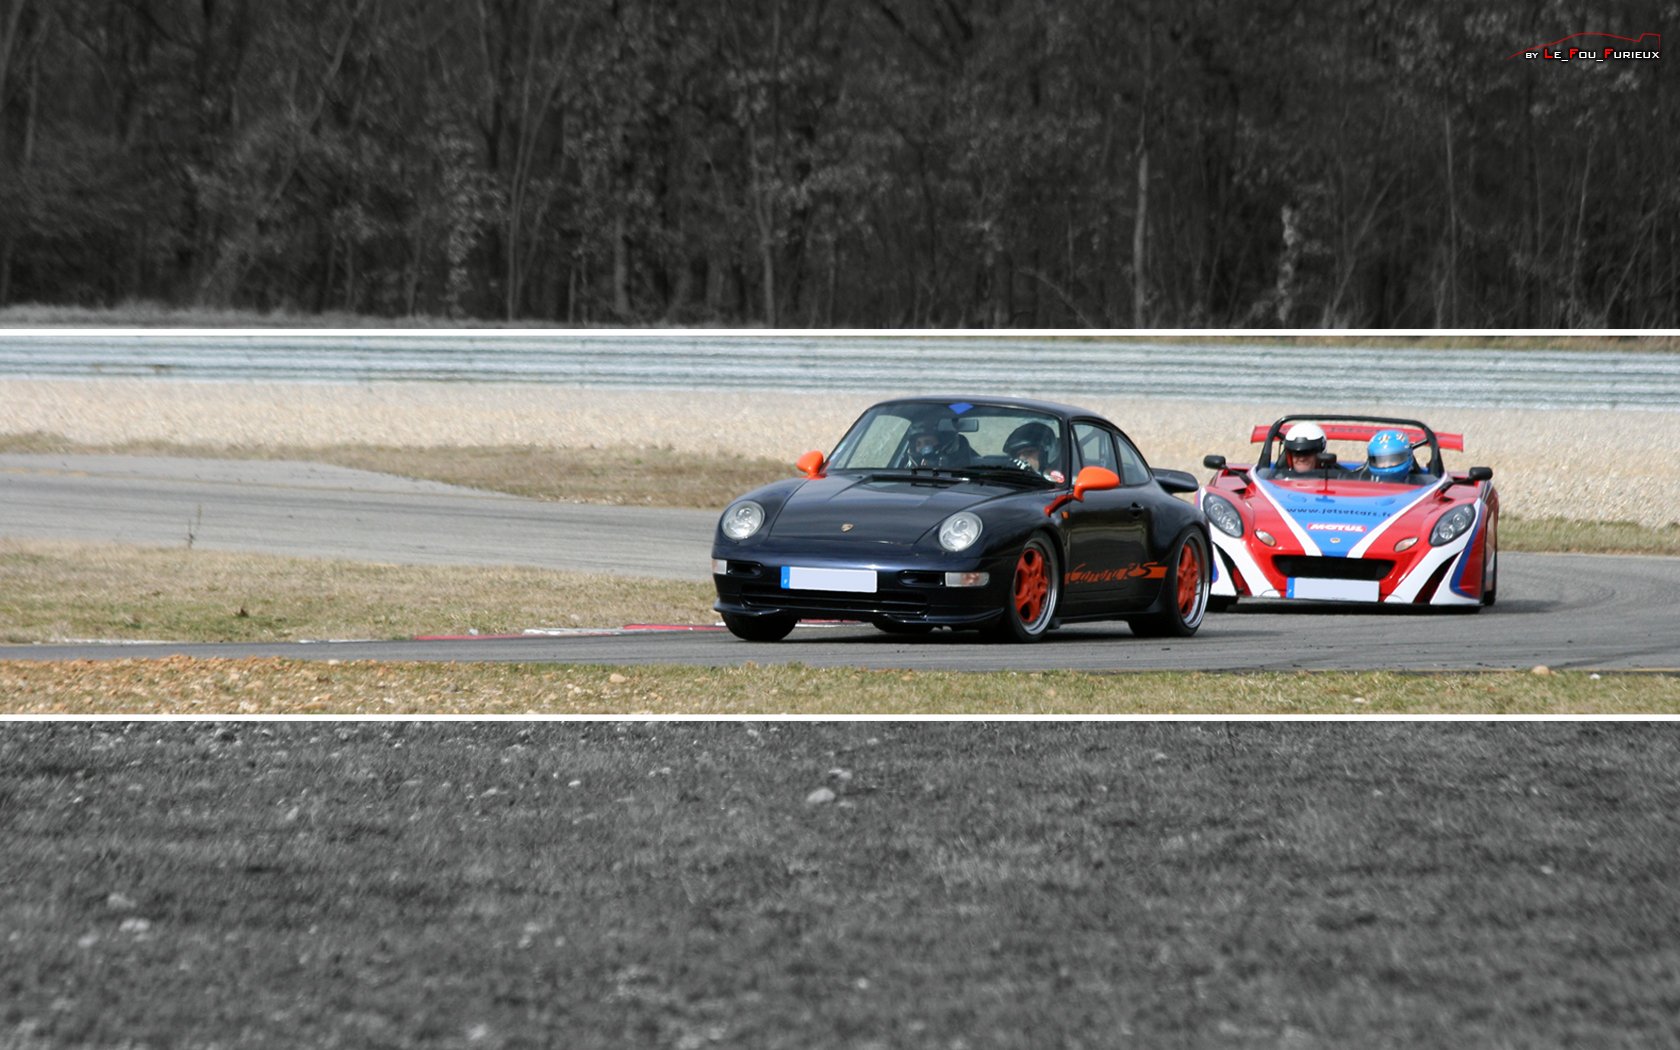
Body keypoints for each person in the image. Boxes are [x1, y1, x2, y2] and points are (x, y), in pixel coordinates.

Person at [905, 418, 973, 468]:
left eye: (928, 443)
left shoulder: (967, 478)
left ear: (943, 444)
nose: (922, 448)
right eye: (918, 444)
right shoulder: (905, 475)